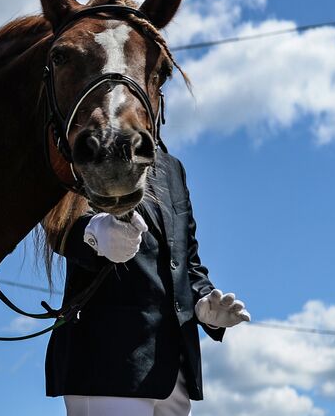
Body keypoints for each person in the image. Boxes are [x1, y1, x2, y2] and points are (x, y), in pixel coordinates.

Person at [45, 149, 250, 416]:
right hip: (106, 361)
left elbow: (186, 260)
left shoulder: (173, 167)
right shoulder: (82, 142)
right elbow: (56, 221)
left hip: (174, 371)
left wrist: (204, 304)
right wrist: (96, 234)